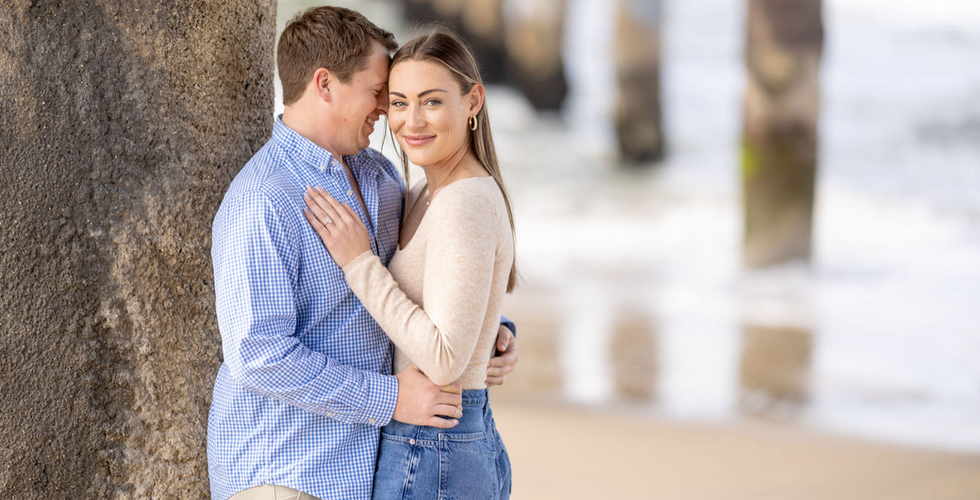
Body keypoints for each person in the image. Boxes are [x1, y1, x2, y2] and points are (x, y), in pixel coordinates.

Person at [208, 8, 519, 500]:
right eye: (381, 93)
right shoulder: (263, 199)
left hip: (369, 467)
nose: (387, 111)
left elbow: (415, 284)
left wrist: (488, 333)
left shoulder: (382, 177)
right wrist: (391, 398)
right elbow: (259, 355)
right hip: (288, 471)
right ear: (325, 84)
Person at [303, 30, 516, 500]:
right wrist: (496, 330)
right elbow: (446, 298)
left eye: (432, 102)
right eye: (398, 102)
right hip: (439, 443)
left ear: (473, 100)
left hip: (435, 448)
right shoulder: (423, 191)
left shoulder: (463, 202)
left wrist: (360, 264)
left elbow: (442, 360)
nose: (411, 121)